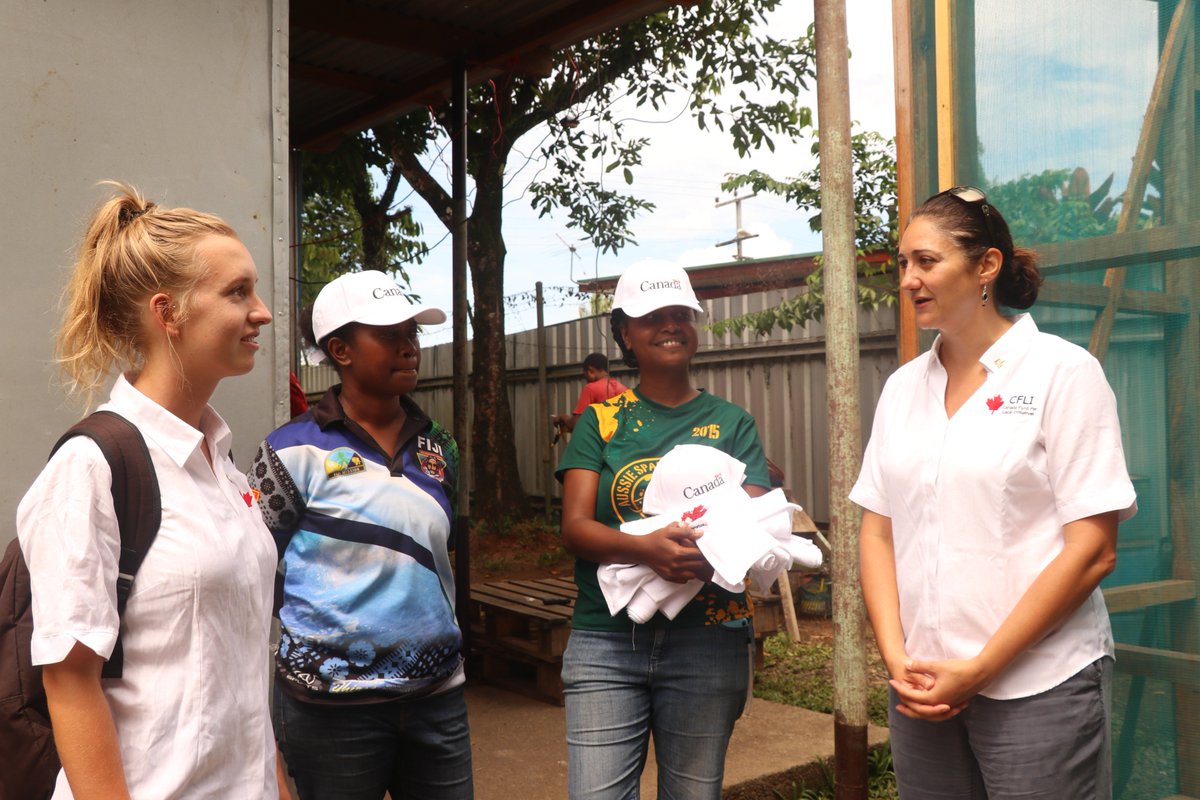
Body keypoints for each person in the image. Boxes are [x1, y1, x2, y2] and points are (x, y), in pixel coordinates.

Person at [851, 186, 1137, 799]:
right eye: (903, 263)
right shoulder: (903, 389)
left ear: (986, 266)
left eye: (926, 261)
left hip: (1040, 684)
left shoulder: (1064, 373)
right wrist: (897, 659)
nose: (908, 279)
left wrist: (982, 668)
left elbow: (1092, 549)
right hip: (925, 687)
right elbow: (877, 530)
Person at [16, 182, 286, 798]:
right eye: (237, 291)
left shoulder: (223, 465)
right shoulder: (93, 467)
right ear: (168, 312)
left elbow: (240, 676)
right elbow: (69, 681)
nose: (262, 311)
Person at [248, 270, 472, 800]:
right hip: (330, 708)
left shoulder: (440, 448)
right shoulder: (289, 451)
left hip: (437, 699)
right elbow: (252, 571)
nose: (409, 347)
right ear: (341, 350)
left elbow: (445, 558)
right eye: (390, 335)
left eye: (412, 333)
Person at [556, 262, 771, 799]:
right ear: (625, 333)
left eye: (680, 314)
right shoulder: (602, 420)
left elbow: (752, 521)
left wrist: (708, 554)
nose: (669, 325)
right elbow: (576, 528)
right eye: (652, 317)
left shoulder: (732, 423)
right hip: (606, 640)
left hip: (708, 640)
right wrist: (644, 549)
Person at [552, 352, 628, 433]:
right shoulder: (623, 388)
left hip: (600, 443)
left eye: (586, 376)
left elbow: (575, 425)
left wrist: (563, 417)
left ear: (590, 371)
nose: (587, 380)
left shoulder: (591, 388)